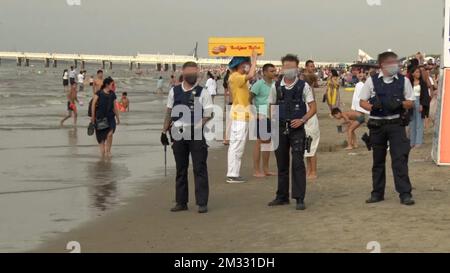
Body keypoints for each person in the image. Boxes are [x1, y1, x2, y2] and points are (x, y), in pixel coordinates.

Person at [359, 51, 415, 206]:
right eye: (392, 62)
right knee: (378, 161)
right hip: (377, 125)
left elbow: (411, 102)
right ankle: (377, 193)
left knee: (399, 159)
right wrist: (372, 106)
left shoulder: (404, 81)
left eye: (396, 62)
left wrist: (400, 104)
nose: (396, 65)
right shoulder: (372, 81)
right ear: (382, 65)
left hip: (396, 124)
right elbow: (361, 102)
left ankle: (405, 193)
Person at [161, 61, 213, 213]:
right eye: (189, 72)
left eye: (194, 72)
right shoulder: (174, 91)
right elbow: (169, 112)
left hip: (196, 134)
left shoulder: (203, 92)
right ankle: (181, 202)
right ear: (183, 73)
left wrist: (196, 126)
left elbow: (208, 114)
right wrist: (164, 131)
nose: (192, 75)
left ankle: (202, 202)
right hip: (178, 134)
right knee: (180, 169)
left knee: (199, 167)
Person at [268, 54, 317, 210]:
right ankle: (281, 196)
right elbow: (271, 107)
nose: (289, 70)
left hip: (297, 129)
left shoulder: (304, 86)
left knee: (297, 163)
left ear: (297, 68)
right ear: (281, 68)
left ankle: (299, 198)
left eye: (292, 67)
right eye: (286, 67)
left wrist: (302, 119)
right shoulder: (275, 86)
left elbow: (313, 107)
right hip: (280, 128)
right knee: (281, 164)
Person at [226, 51, 257, 184]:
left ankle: (234, 173)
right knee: (237, 145)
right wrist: (254, 59)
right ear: (240, 65)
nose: (248, 66)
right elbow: (251, 75)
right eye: (246, 64)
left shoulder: (237, 76)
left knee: (237, 144)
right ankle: (233, 174)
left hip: (240, 114)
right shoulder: (235, 76)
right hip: (239, 115)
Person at [250, 63, 277, 178]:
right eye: (271, 71)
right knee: (259, 142)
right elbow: (248, 99)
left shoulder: (275, 84)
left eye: (274, 71)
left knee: (268, 143)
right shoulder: (258, 84)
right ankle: (256, 170)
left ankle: (266, 169)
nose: (274, 73)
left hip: (273, 114)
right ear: (265, 72)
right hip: (261, 113)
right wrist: (254, 114)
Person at [90, 77, 120, 158]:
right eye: (112, 84)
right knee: (101, 139)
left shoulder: (112, 94)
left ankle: (108, 151)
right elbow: (93, 105)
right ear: (107, 85)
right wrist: (93, 117)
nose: (113, 86)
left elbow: (115, 107)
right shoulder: (99, 93)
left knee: (110, 134)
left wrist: (118, 118)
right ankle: (103, 154)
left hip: (110, 118)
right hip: (100, 118)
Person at [302, 60, 320, 180]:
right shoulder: (305, 83)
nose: (312, 68)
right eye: (311, 66)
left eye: (313, 66)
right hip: (306, 116)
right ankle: (309, 169)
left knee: (311, 145)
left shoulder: (308, 82)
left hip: (310, 117)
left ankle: (313, 170)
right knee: (306, 146)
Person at [408, 66, 430, 148]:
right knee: (412, 123)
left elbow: (425, 95)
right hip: (411, 103)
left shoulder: (422, 83)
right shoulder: (409, 83)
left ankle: (418, 142)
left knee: (419, 123)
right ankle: (412, 142)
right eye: (417, 72)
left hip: (419, 102)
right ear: (413, 73)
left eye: (419, 72)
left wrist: (422, 104)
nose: (418, 74)